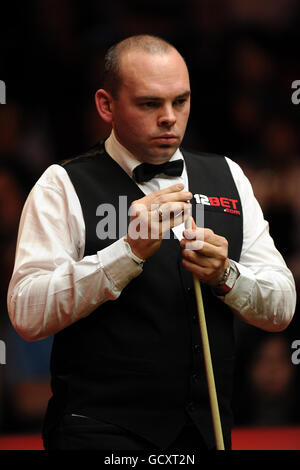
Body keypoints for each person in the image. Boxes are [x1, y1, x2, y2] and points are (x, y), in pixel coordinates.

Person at [7, 35, 296, 451]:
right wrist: (127, 254)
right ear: (106, 105)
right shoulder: (62, 185)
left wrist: (226, 275)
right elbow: (26, 312)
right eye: (149, 104)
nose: (169, 118)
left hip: (206, 434)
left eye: (181, 101)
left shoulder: (228, 176)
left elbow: (283, 306)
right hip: (98, 436)